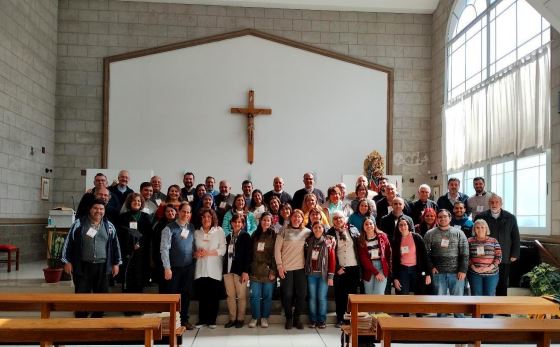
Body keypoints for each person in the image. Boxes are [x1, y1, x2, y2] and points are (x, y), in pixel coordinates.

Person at [61, 199, 121, 318]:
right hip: (83, 265)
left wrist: (116, 263)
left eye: (101, 209)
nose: (99, 211)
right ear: (90, 209)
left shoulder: (109, 226)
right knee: (82, 292)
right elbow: (68, 243)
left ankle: (98, 314)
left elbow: (116, 245)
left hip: (102, 266)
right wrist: (66, 261)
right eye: (96, 208)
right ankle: (81, 314)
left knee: (102, 293)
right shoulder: (79, 224)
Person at [424, 209, 469, 316]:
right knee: (441, 304)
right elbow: (425, 253)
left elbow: (465, 253)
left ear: (450, 218)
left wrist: (463, 270)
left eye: (445, 216)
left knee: (458, 304)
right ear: (437, 219)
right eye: (440, 217)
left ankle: (460, 327)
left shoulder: (459, 233)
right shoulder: (430, 234)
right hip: (438, 273)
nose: (442, 219)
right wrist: (431, 267)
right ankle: (441, 326)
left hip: (456, 273)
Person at [474, 194, 520, 296]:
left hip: (504, 254)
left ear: (501, 203)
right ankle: (484, 305)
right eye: (492, 202)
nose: (494, 204)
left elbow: (516, 237)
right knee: (487, 283)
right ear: (488, 203)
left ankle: (501, 307)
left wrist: (515, 253)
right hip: (485, 256)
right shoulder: (481, 217)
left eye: (497, 202)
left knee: (503, 282)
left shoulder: (510, 217)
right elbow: (474, 235)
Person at [160, 202, 196, 329]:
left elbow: (192, 245)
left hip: (188, 267)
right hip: (173, 268)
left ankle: (184, 320)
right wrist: (167, 268)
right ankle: (172, 322)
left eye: (188, 212)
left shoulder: (191, 227)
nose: (186, 214)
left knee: (186, 295)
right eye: (183, 211)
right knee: (172, 295)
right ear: (178, 212)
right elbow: (164, 249)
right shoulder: (169, 228)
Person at [275, 209, 311, 330]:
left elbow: (320, 235)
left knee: (302, 294)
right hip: (286, 268)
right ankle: (289, 318)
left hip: (301, 268)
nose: (296, 219)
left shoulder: (307, 232)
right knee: (287, 294)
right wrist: (279, 266)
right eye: (294, 216)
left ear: (302, 219)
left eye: (299, 217)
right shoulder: (283, 230)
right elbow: (277, 250)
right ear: (291, 218)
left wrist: (330, 239)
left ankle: (297, 319)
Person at [327, 211, 361, 327]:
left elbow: (359, 247)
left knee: (351, 295)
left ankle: (350, 318)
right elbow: (328, 253)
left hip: (354, 267)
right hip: (340, 268)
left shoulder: (353, 229)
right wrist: (336, 268)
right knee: (340, 295)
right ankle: (340, 318)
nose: (338, 220)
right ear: (332, 221)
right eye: (335, 218)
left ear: (344, 219)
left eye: (340, 218)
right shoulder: (330, 233)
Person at [194, 209, 226, 329]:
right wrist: (196, 253)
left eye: (209, 217)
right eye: (204, 217)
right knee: (202, 296)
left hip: (214, 268)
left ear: (213, 218)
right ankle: (202, 320)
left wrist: (208, 253)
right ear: (200, 218)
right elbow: (192, 250)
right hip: (200, 268)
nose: (206, 219)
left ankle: (212, 320)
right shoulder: (196, 231)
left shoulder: (219, 230)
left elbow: (223, 249)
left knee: (213, 296)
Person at [117, 193, 153, 294]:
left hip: (141, 253)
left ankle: (137, 307)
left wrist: (139, 244)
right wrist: (129, 245)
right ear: (129, 202)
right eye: (134, 201)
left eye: (139, 201)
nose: (136, 202)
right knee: (127, 279)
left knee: (139, 279)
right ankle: (127, 307)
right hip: (127, 252)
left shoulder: (146, 217)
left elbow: (148, 234)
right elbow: (120, 234)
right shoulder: (123, 217)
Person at [222, 213, 252, 328]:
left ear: (243, 224)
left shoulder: (245, 236)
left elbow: (248, 255)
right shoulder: (228, 236)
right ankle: (232, 319)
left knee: (241, 296)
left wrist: (245, 271)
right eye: (235, 222)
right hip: (228, 270)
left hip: (240, 271)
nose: (237, 224)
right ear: (231, 223)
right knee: (230, 296)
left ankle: (240, 319)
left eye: (239, 222)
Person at [304, 222, 335, 329]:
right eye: (315, 227)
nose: (317, 229)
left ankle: (321, 320)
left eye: (320, 227)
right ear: (312, 229)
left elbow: (332, 260)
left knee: (322, 298)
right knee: (312, 297)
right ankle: (312, 320)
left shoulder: (328, 242)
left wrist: (331, 276)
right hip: (311, 274)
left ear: (323, 229)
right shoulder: (308, 241)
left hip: (323, 275)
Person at [248, 213, 276, 328]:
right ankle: (255, 317)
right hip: (255, 271)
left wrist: (273, 271)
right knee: (254, 296)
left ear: (271, 222)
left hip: (268, 271)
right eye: (264, 220)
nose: (266, 222)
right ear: (260, 221)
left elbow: (276, 254)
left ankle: (264, 317)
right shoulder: (255, 234)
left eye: (268, 220)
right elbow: (250, 253)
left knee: (267, 296)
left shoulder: (274, 235)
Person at [392, 217, 431, 297]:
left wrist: (428, 274)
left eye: (405, 224)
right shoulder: (396, 240)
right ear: (398, 227)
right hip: (403, 270)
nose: (403, 227)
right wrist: (395, 278)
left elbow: (425, 257)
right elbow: (394, 261)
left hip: (417, 269)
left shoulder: (417, 238)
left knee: (420, 294)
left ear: (408, 225)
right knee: (402, 294)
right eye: (400, 225)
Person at [467, 219, 502, 298]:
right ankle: (476, 311)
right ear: (474, 229)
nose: (480, 229)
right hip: (475, 274)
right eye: (477, 227)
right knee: (476, 295)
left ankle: (488, 311)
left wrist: (490, 267)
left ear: (486, 229)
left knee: (489, 295)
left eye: (482, 227)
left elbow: (499, 256)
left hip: (491, 273)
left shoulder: (493, 241)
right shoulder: (469, 241)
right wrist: (473, 267)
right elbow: (466, 256)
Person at [358, 218, 391, 295]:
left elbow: (388, 253)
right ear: (363, 227)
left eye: (371, 223)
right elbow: (364, 259)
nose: (369, 226)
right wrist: (375, 272)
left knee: (378, 293)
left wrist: (387, 268)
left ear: (374, 225)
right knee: (369, 294)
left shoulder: (382, 236)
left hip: (382, 266)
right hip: (369, 268)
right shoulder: (361, 240)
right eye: (366, 224)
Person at [152, 204, 177, 292]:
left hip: (176, 261)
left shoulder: (180, 224)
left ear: (176, 212)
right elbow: (155, 244)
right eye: (167, 211)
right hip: (162, 260)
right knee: (164, 286)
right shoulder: (159, 225)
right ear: (164, 213)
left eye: (172, 211)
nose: (170, 213)